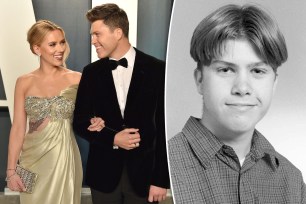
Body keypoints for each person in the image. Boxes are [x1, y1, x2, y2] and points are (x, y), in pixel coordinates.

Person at [168, 4, 306, 204]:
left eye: (258, 71)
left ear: (274, 84)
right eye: (225, 70)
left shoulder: (291, 180)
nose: (242, 88)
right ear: (200, 80)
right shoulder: (164, 166)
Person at [72, 3, 170, 204]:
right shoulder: (91, 73)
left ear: (118, 32)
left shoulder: (158, 70)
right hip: (103, 176)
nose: (93, 41)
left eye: (97, 34)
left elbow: (165, 128)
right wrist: (113, 138)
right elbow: (80, 122)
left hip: (145, 177)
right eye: (92, 35)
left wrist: (161, 179)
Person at [5, 20, 83, 204]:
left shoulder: (77, 79)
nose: (60, 48)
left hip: (64, 158)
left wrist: (97, 121)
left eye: (62, 42)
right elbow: (17, 128)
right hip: (31, 161)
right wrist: (11, 171)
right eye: (53, 44)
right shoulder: (24, 82)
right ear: (37, 48)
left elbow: (91, 117)